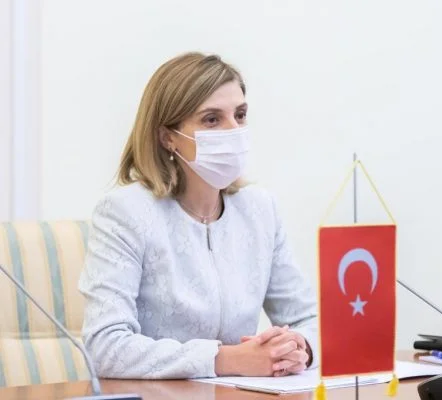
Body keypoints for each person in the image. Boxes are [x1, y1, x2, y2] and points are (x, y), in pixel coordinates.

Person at [78, 52, 318, 379]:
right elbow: (105, 347)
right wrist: (226, 359)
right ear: (168, 137)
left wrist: (299, 348)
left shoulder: (260, 209)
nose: (233, 130)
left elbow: (310, 320)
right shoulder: (125, 213)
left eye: (240, 115)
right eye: (212, 119)